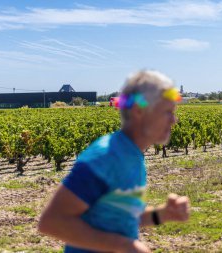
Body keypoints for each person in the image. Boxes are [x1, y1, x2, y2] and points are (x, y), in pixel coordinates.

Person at [38, 70, 190, 253]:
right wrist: (124, 246)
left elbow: (120, 217)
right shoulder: (105, 157)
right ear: (139, 110)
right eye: (167, 112)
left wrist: (162, 214)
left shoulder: (132, 155)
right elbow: (52, 222)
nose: (174, 120)